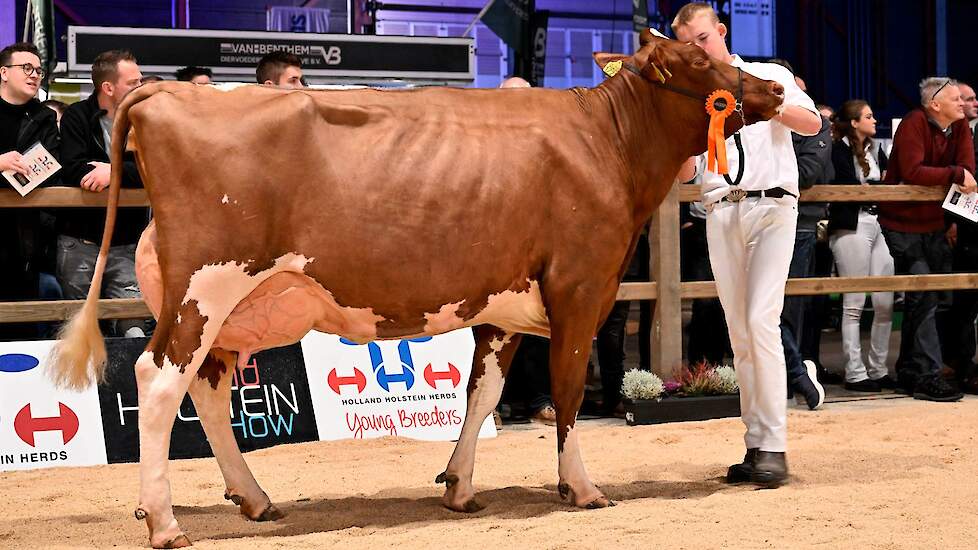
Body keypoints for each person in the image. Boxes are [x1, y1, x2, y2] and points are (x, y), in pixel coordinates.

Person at [673, 2, 822, 487]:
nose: (698, 49)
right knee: (739, 332)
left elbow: (813, 124)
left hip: (773, 205)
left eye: (702, 38)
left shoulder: (766, 73)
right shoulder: (698, 95)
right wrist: (677, 140)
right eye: (689, 44)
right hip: (720, 209)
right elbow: (689, 171)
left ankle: (775, 445)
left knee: (761, 320)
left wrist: (772, 102)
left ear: (720, 31)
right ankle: (756, 442)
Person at [878, 77, 975, 402]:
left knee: (933, 298)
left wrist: (957, 173)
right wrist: (954, 174)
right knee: (923, 297)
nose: (962, 103)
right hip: (901, 222)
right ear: (935, 105)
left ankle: (911, 370)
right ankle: (927, 374)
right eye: (955, 99)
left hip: (934, 222)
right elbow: (913, 172)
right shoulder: (913, 123)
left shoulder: (959, 127)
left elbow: (968, 168)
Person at [58, 49, 150, 337]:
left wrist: (113, 172)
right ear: (108, 88)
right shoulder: (77, 116)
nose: (141, 87)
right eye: (133, 82)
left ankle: (130, 382)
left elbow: (155, 170)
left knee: (133, 324)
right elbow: (74, 169)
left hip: (127, 242)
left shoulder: (146, 119)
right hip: (79, 242)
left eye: (140, 80)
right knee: (78, 328)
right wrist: (124, 172)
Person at [768, 58, 830, 411]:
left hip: (799, 222)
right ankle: (793, 373)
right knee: (761, 307)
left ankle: (794, 374)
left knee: (786, 307)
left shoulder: (813, 124)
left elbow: (808, 172)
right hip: (753, 215)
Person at [828, 100, 895, 392]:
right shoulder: (839, 149)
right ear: (854, 122)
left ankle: (878, 368)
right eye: (868, 116)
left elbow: (888, 183)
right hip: (851, 224)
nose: (874, 120)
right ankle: (855, 372)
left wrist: (874, 190)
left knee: (884, 302)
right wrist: (870, 190)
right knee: (854, 303)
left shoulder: (876, 149)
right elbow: (842, 184)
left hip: (878, 221)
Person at [0, 42, 60, 340]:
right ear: (4, 72)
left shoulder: (44, 117)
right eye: (27, 68)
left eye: (38, 70)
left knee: (21, 326)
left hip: (25, 237)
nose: (35, 75)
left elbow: (47, 168)